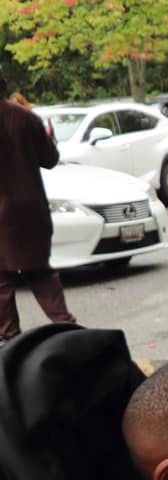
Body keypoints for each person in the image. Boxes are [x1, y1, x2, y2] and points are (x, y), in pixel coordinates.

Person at [0, 65, 75, 348]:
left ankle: (10, 345)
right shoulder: (27, 119)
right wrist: (50, 138)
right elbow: (50, 160)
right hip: (33, 212)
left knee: (2, 285)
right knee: (42, 274)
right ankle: (69, 331)